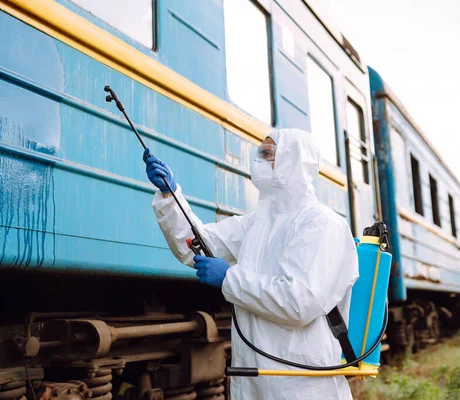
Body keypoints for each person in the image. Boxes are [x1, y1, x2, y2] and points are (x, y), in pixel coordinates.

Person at [143, 129, 359, 399]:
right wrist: (170, 195)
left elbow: (300, 301)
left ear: (294, 160)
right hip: (257, 382)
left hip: (302, 385)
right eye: (259, 154)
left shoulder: (322, 223)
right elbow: (196, 244)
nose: (258, 161)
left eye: (267, 154)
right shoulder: (254, 225)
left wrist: (229, 279)